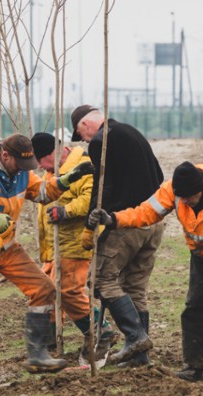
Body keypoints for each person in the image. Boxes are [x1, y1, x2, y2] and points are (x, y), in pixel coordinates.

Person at [88, 161, 203, 385]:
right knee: (194, 307)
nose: (184, 202)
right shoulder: (173, 189)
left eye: (190, 198)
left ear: (200, 190)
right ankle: (195, 366)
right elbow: (146, 213)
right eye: (182, 199)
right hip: (201, 253)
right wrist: (113, 219)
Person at [0, 133, 93, 385]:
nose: (24, 172)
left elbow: (42, 193)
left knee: (44, 289)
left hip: (7, 246)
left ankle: (37, 355)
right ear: (5, 155)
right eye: (20, 165)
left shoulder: (22, 171)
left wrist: (67, 180)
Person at [70, 105, 165, 367]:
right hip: (154, 221)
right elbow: (159, 175)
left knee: (100, 280)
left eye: (82, 134)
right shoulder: (132, 132)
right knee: (135, 285)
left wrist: (93, 224)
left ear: (86, 125)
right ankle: (140, 356)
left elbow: (103, 187)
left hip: (126, 223)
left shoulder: (101, 141)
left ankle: (135, 337)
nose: (85, 140)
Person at [31, 132, 116, 366]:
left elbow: (91, 199)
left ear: (57, 151)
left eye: (41, 159)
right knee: (44, 289)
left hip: (76, 242)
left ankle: (100, 330)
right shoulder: (51, 172)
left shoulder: (84, 165)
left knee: (68, 291)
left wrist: (65, 211)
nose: (39, 165)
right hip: (54, 245)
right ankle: (46, 343)